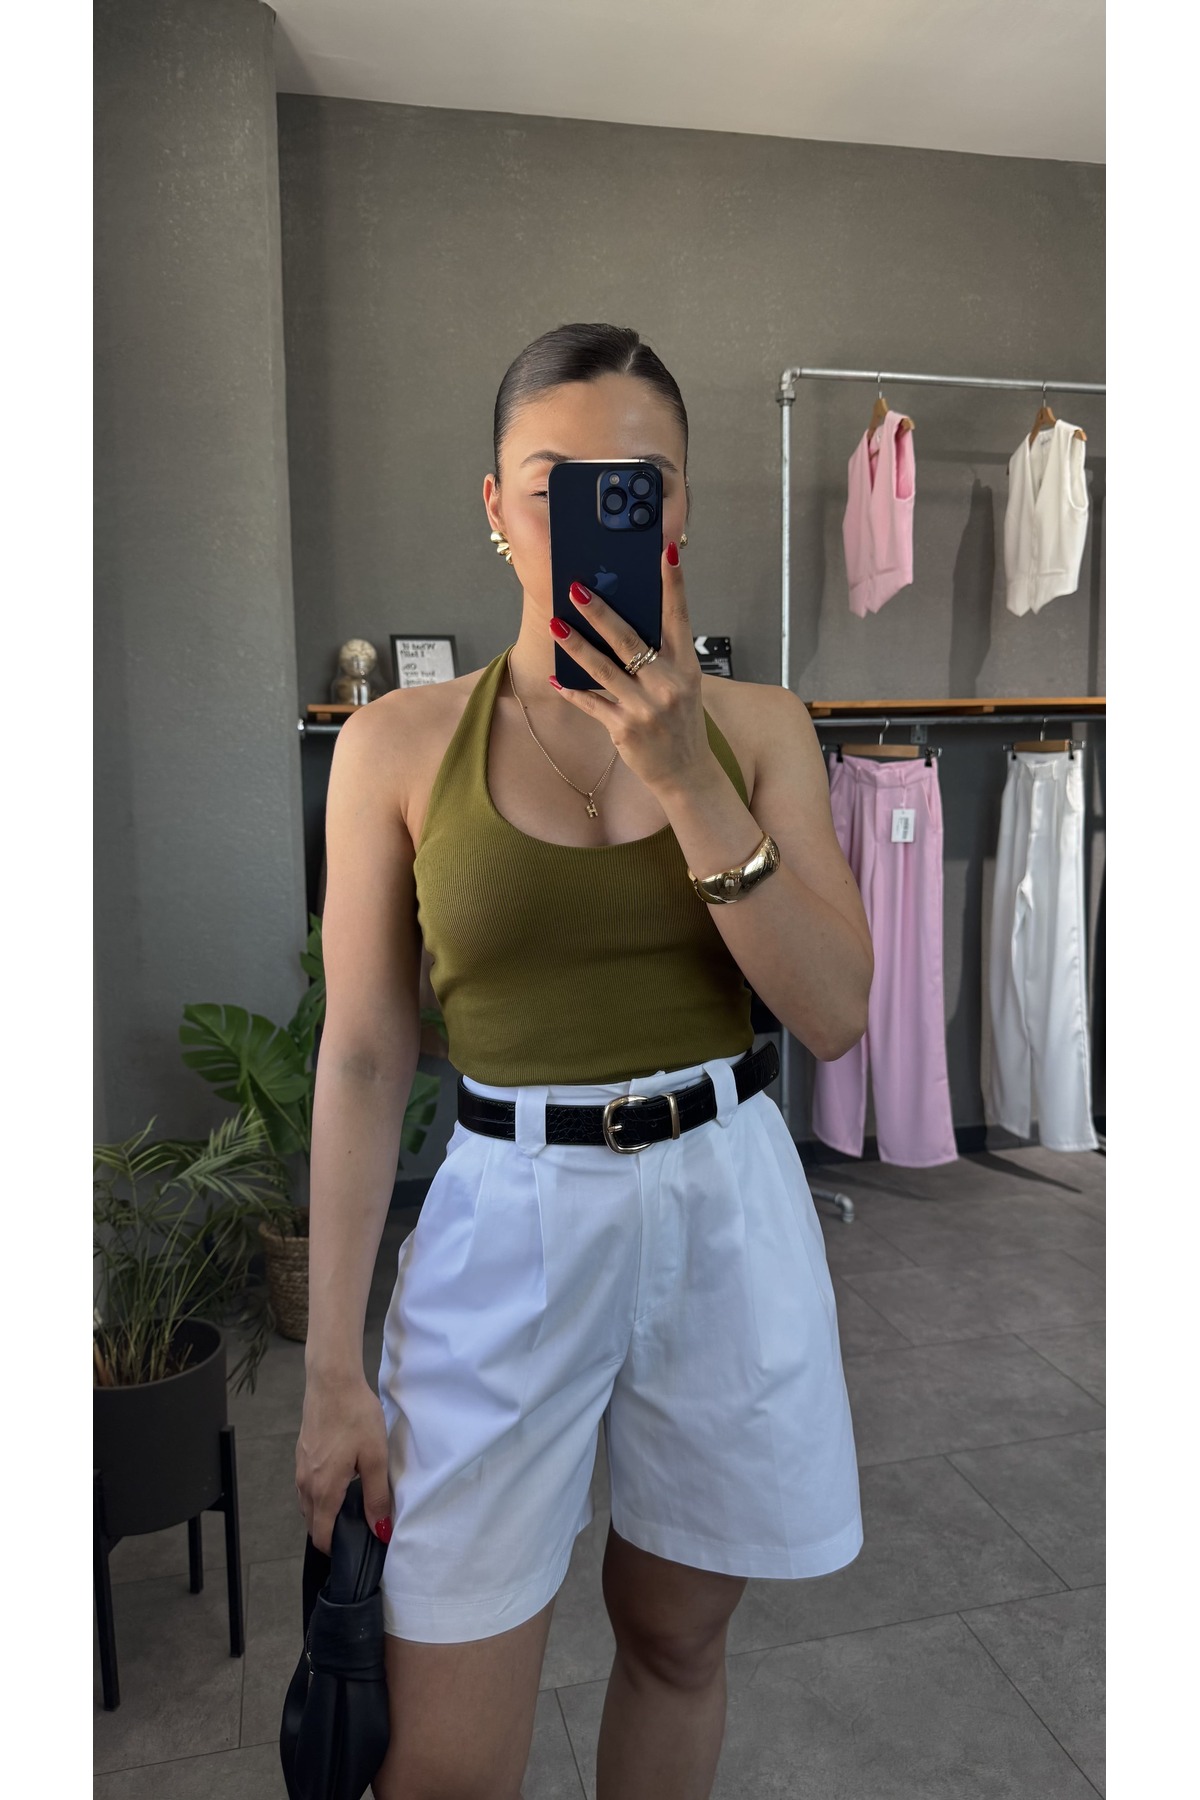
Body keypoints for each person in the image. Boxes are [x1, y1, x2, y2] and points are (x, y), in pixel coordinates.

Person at [295, 322, 873, 1800]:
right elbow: (362, 1056)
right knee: (445, 1752)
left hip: (726, 1202)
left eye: (638, 479)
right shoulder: (397, 744)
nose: (595, 509)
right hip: (508, 1214)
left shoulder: (763, 731)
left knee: (677, 1642)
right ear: (496, 503)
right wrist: (330, 1366)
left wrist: (687, 779)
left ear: (678, 510)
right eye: (555, 479)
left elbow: (832, 1012)